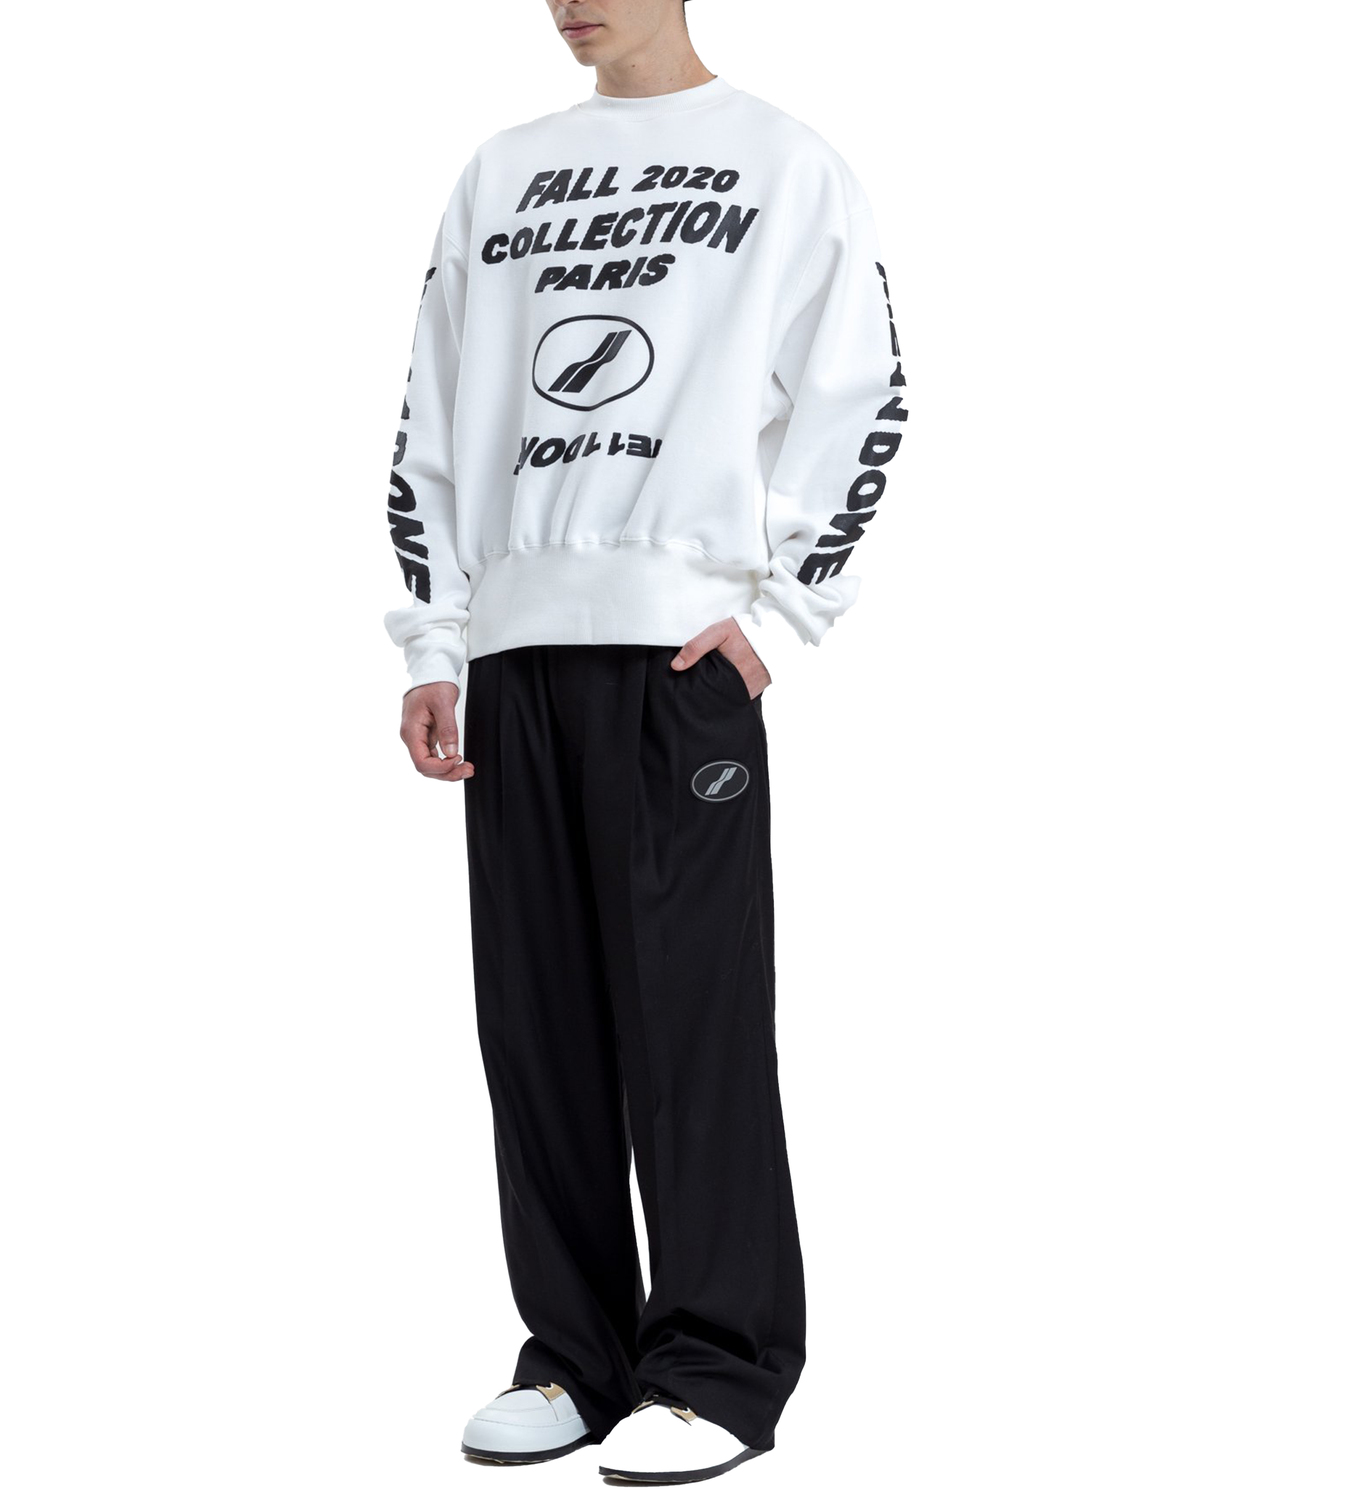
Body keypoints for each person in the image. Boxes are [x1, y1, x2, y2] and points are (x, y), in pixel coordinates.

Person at [383, 0, 907, 1484]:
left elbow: (864, 395)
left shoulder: (781, 160)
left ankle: (719, 1367)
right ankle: (576, 1352)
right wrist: (436, 641)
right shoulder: (501, 171)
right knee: (535, 1025)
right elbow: (429, 414)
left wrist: (785, 609)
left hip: (678, 657)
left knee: (691, 1019)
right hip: (511, 652)